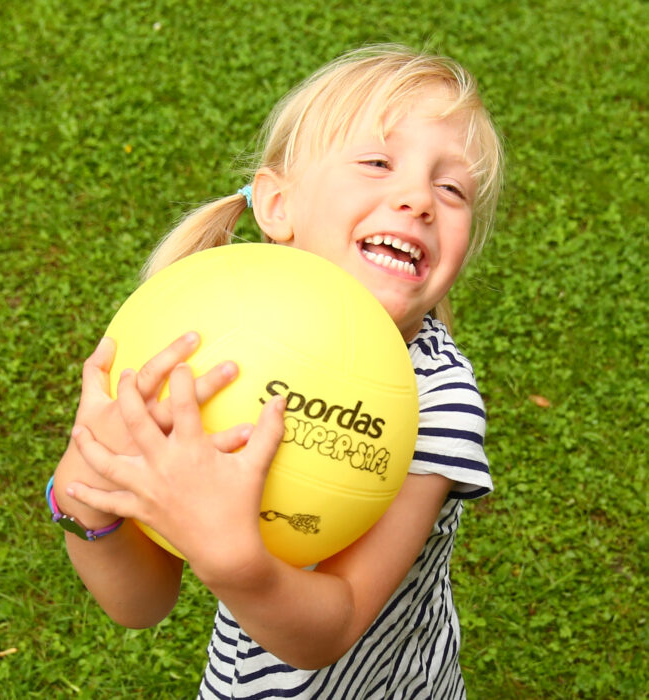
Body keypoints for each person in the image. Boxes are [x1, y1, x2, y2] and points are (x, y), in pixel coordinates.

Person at [50, 44, 503, 698]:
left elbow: (332, 626)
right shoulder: (206, 349)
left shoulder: (438, 399)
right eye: (377, 162)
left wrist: (234, 558)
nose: (417, 199)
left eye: (451, 187)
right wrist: (89, 491)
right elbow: (140, 604)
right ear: (278, 206)